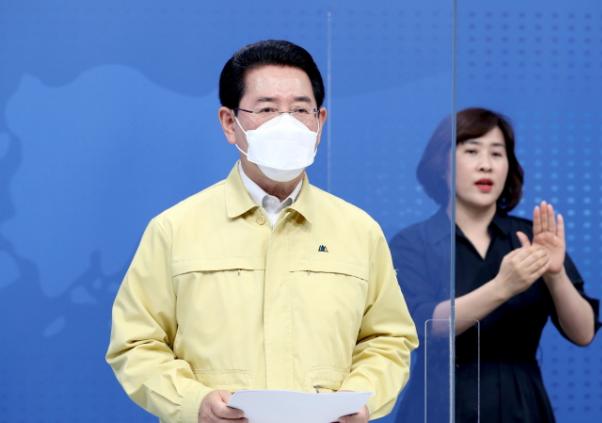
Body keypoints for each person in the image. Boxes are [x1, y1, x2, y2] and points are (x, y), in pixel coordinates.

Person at [105, 40, 418, 423]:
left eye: (300, 110)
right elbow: (136, 344)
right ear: (229, 123)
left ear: (320, 122)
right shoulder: (174, 229)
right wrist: (193, 402)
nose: (286, 124)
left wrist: (359, 398)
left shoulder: (359, 231)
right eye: (267, 109)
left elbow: (388, 339)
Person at [392, 108, 602, 422]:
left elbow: (583, 333)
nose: (486, 165)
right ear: (441, 165)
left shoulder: (532, 237)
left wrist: (555, 274)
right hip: (440, 403)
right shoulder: (413, 242)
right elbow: (421, 325)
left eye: (497, 153)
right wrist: (502, 287)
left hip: (521, 404)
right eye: (472, 151)